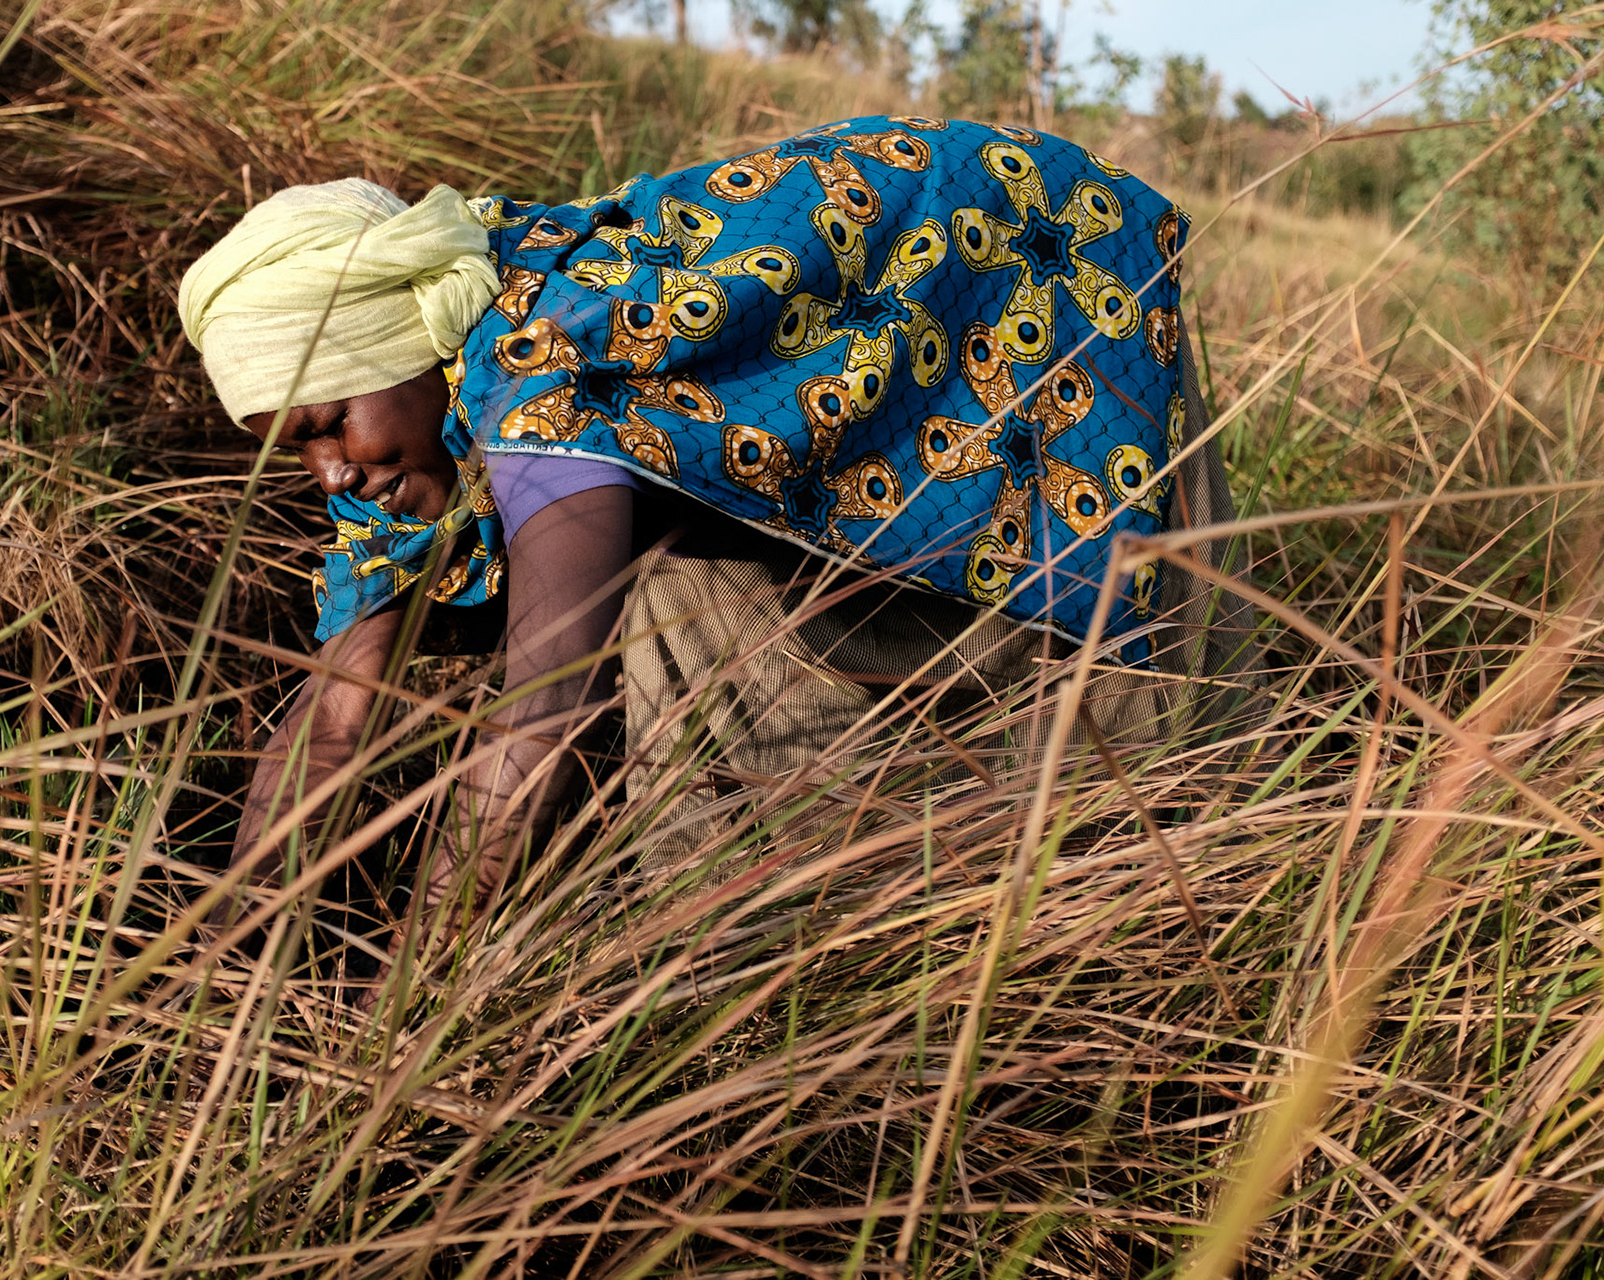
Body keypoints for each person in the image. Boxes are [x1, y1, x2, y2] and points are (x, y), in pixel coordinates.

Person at [176, 117, 1251, 982]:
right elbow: (334, 706)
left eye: (326, 424)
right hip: (887, 323)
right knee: (678, 592)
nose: (330, 474)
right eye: (294, 449)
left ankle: (1160, 827)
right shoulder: (408, 407)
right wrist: (222, 963)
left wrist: (409, 1003)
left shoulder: (538, 370)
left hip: (1024, 260)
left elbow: (543, 710)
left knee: (1135, 603)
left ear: (397, 335)